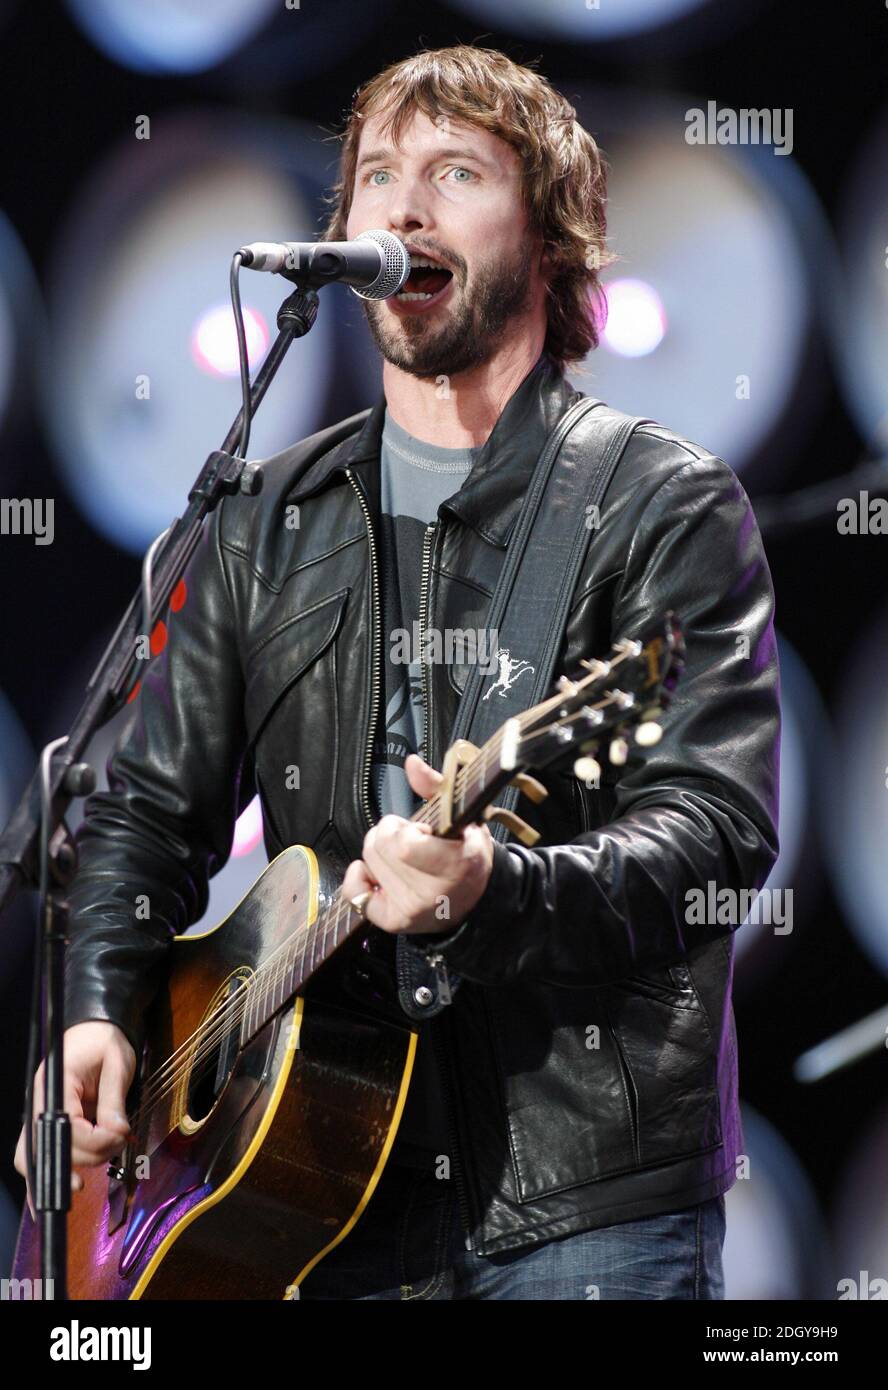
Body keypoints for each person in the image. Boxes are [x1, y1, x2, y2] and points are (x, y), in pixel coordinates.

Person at [15, 44, 780, 1300]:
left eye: (454, 170)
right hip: (309, 1201)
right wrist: (99, 1006)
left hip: (578, 1208)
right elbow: (145, 814)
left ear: (551, 237)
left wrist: (496, 890)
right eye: (376, 177)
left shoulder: (662, 505)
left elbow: (716, 833)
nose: (401, 208)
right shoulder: (263, 521)